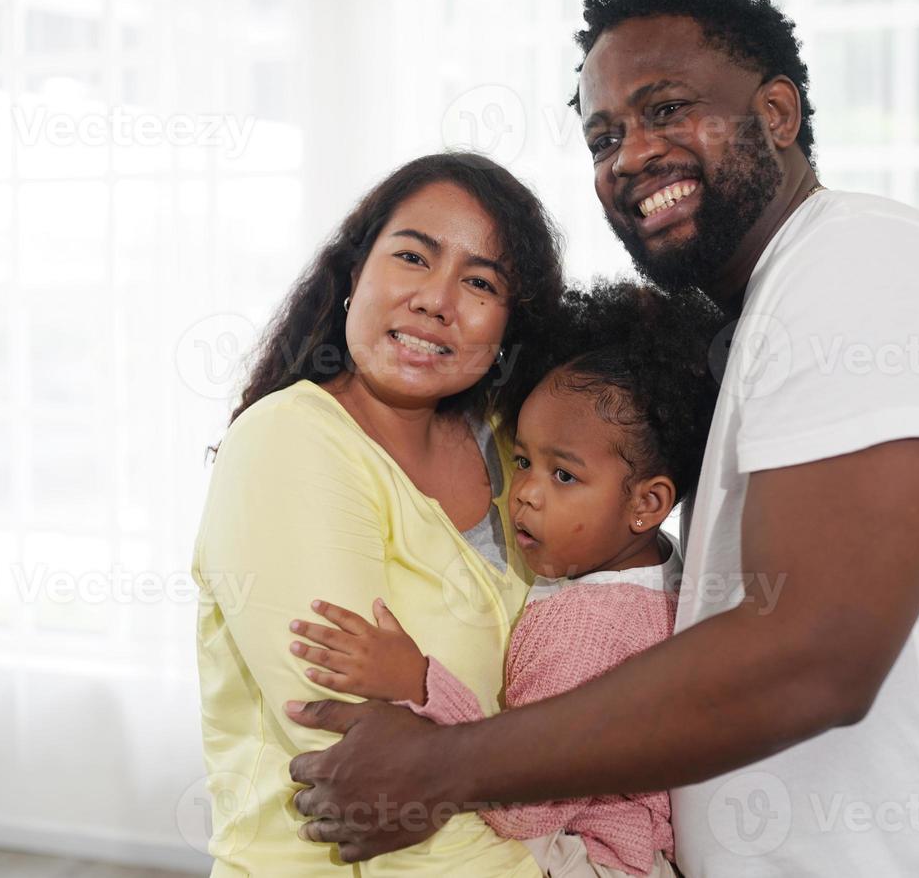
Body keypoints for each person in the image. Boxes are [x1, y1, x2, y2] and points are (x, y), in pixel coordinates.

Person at [284, 0, 919, 877]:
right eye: (604, 136)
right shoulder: (756, 321)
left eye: (667, 109)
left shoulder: (861, 263)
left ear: (777, 113)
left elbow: (817, 650)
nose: (631, 156)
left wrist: (442, 767)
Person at [192, 152, 562, 875]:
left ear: (511, 324)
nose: (435, 299)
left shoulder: (517, 445)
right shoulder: (288, 441)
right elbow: (360, 769)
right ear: (355, 273)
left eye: (481, 281)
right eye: (412, 257)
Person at [287, 282, 724, 878]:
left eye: (564, 475)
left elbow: (521, 801)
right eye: (522, 461)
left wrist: (417, 679)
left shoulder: (581, 627)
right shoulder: (666, 577)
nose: (526, 494)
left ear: (647, 502)